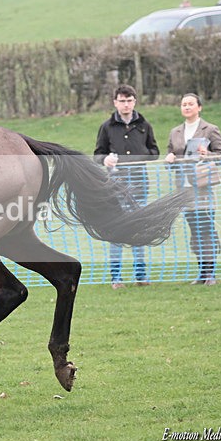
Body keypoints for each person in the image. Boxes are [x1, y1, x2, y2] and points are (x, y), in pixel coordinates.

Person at [93, 85, 159, 289]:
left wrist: (139, 156)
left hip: (139, 183)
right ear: (115, 102)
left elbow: (154, 152)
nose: (126, 105)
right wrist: (105, 160)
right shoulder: (107, 127)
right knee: (117, 230)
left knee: (138, 228)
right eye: (122, 101)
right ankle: (116, 277)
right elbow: (97, 154)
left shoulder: (144, 125)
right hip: (115, 185)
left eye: (129, 101)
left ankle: (141, 276)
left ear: (134, 102)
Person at [164, 93, 221, 286]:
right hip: (184, 190)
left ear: (199, 107)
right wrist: (169, 159)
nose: (187, 107)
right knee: (195, 233)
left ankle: (210, 274)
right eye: (184, 104)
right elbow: (170, 156)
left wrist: (207, 154)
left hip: (203, 188)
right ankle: (201, 273)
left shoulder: (210, 129)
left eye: (191, 104)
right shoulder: (175, 132)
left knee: (206, 230)